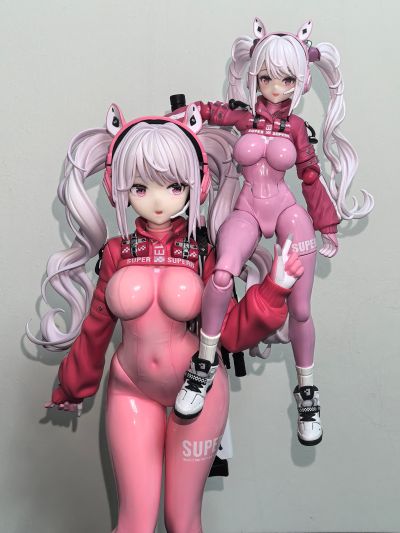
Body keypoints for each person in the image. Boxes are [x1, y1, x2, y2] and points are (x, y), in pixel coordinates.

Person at [27, 102, 303, 532]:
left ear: (196, 183)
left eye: (174, 186)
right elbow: (97, 326)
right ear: (119, 186)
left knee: (182, 520)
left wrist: (275, 288)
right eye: (140, 187)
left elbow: (229, 332)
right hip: (130, 389)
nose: (157, 200)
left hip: (199, 389)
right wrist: (73, 384)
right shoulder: (117, 252)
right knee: (133, 522)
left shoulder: (203, 253)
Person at [174, 18, 374, 446]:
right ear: (255, 76)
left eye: (286, 79)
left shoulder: (297, 128)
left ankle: (307, 394)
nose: (275, 87)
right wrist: (182, 118)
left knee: (300, 308)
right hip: (248, 208)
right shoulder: (244, 118)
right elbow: (211, 112)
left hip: (286, 211)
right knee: (222, 274)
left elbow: (309, 175)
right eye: (266, 77)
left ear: (301, 82)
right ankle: (203, 365)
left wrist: (326, 223)